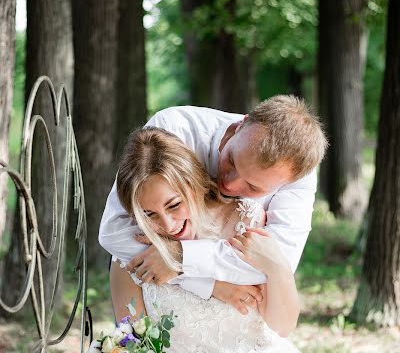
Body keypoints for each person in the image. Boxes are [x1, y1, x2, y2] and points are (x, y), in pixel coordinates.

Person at [63, 128, 367, 353]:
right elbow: (139, 340)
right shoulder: (135, 254)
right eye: (149, 214)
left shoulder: (246, 223)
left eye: (174, 204)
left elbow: (280, 326)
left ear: (194, 183)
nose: (166, 224)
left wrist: (277, 267)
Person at [99, 96, 328, 314]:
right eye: (231, 161)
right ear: (239, 125)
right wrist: (207, 283)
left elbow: (275, 264)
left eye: (253, 187)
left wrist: (182, 257)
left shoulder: (299, 179)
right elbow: (115, 233)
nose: (229, 184)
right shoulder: (172, 129)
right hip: (155, 301)